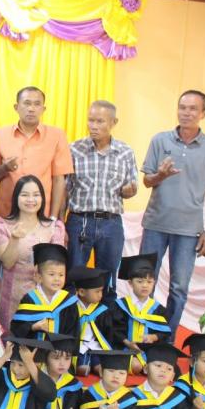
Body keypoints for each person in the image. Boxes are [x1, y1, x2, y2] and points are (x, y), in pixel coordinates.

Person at [140, 90, 205, 334]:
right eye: (182, 107)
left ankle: (166, 339)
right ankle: (141, 333)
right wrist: (161, 175)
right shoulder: (160, 140)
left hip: (189, 230)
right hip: (155, 224)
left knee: (179, 287)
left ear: (203, 113)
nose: (186, 113)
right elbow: (147, 181)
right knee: (144, 281)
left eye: (192, 108)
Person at [65, 101, 138, 289]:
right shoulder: (74, 149)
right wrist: (58, 224)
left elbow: (131, 187)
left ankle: (105, 309)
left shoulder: (125, 152)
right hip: (79, 221)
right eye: (91, 120)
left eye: (100, 121)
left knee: (108, 279)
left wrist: (129, 191)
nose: (93, 126)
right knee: (73, 277)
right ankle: (72, 309)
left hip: (111, 223)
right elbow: (64, 189)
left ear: (114, 122)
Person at [0, 175, 67, 329]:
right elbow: (7, 263)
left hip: (42, 295)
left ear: (42, 198)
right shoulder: (2, 224)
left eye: (36, 195)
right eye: (25, 195)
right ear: (16, 198)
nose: (31, 200)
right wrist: (14, 238)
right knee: (9, 336)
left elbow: (57, 265)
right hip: (9, 294)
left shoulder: (54, 227)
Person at [0, 86, 74, 218]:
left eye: (37, 104)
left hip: (42, 217)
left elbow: (59, 180)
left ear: (43, 109)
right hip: (6, 216)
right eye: (27, 103)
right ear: (16, 107)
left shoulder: (56, 136)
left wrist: (53, 218)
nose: (31, 109)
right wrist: (4, 168)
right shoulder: (1, 134)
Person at [112, 253, 172, 371]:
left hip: (149, 350)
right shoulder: (121, 305)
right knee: (137, 366)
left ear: (154, 282)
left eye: (149, 282)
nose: (145, 286)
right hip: (125, 347)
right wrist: (128, 343)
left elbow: (164, 332)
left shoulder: (158, 309)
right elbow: (114, 330)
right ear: (130, 283)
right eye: (140, 281)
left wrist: (154, 337)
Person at [10, 244, 78, 339]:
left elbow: (73, 331)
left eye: (61, 275)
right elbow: (17, 327)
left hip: (60, 348)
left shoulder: (68, 301)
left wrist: (63, 346)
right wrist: (33, 327)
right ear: (38, 277)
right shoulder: (29, 299)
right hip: (34, 348)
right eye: (51, 274)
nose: (57, 279)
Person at [69, 266, 114, 376]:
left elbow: (108, 333)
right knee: (83, 370)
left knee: (102, 367)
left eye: (101, 291)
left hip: (96, 346)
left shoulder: (102, 310)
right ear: (81, 292)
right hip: (79, 347)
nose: (100, 295)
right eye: (97, 291)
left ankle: (97, 367)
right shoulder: (71, 308)